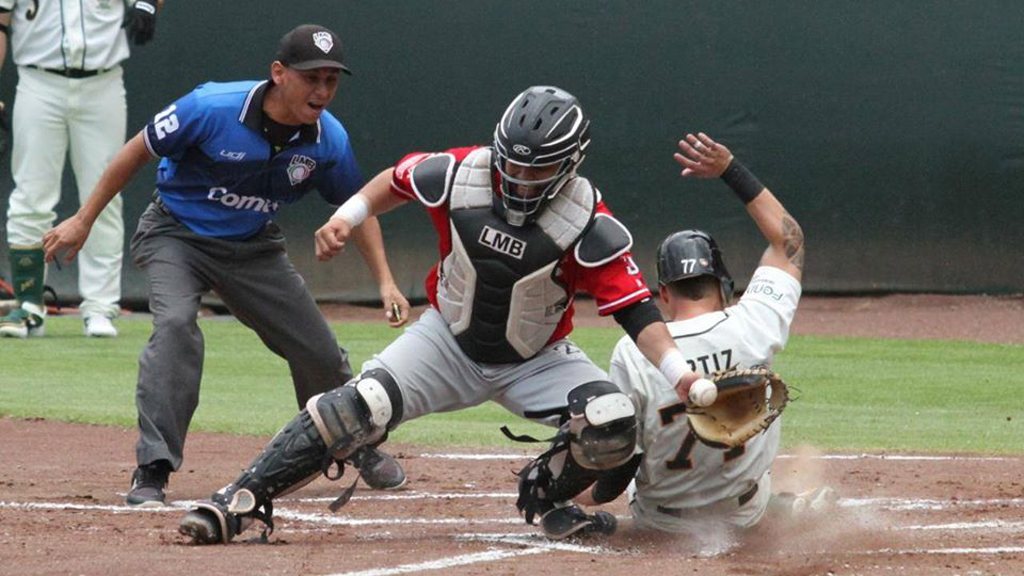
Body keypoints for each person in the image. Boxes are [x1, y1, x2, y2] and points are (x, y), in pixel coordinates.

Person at [175, 85, 713, 545]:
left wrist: (679, 374)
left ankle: (546, 496)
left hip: (536, 358)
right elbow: (394, 180)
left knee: (613, 423)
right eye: (513, 162)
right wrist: (348, 215)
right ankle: (239, 499)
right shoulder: (462, 174)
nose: (521, 177)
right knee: (353, 407)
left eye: (539, 168)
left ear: (570, 163)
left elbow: (636, 309)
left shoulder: (586, 220)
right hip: (446, 340)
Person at [41, 24, 411, 507]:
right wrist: (83, 219)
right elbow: (137, 150)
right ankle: (153, 467)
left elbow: (359, 207)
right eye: (310, 78)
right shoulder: (212, 107)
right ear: (278, 73)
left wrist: (386, 282)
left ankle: (353, 443)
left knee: (318, 351)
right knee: (175, 326)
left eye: (331, 80)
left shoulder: (328, 140)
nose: (321, 91)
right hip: (176, 234)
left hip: (254, 247)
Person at [575, 132, 830, 535]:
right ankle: (779, 507)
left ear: (663, 293)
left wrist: (587, 497)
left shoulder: (634, 351)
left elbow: (623, 459)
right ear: (723, 285)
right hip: (745, 512)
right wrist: (730, 169)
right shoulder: (755, 322)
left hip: (662, 523)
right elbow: (789, 240)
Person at [0, 0, 164, 338]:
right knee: (31, 194)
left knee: (104, 195)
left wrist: (148, 4)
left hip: (102, 82)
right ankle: (29, 303)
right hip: (37, 81)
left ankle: (100, 306)